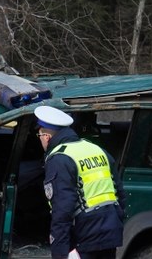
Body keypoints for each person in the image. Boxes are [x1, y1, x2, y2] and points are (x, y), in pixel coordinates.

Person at [35, 106, 125, 259]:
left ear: (46, 136)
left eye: (39, 135)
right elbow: (120, 193)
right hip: (111, 230)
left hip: (85, 235)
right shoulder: (95, 148)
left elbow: (63, 209)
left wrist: (60, 252)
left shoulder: (59, 158)